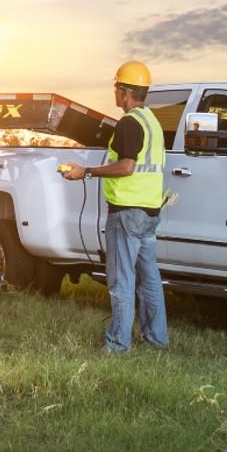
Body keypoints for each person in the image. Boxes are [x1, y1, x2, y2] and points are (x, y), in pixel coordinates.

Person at [59, 61, 168, 352]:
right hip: (149, 212)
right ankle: (157, 340)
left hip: (127, 212)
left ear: (126, 92)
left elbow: (127, 166)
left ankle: (118, 345)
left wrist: (86, 172)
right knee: (149, 279)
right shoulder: (152, 122)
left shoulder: (130, 123)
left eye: (116, 87)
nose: (115, 93)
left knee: (122, 281)